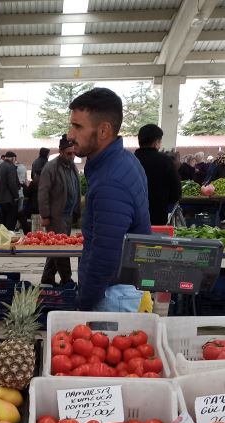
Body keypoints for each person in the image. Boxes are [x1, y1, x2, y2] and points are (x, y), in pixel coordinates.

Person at [67, 87, 150, 312]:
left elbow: (105, 256)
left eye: (77, 126)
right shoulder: (125, 160)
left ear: (103, 131)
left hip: (112, 297)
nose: (70, 135)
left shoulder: (110, 181)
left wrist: (84, 303)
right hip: (125, 288)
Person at [38, 136, 81, 286]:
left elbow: (76, 187)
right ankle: (66, 279)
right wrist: (45, 215)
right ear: (61, 152)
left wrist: (77, 210)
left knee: (56, 249)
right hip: (56, 216)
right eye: (69, 153)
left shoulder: (71, 166)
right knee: (62, 249)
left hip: (68, 215)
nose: (72, 156)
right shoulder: (50, 167)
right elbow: (43, 192)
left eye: (73, 153)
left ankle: (47, 278)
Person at [134, 124, 181, 226]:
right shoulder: (166, 161)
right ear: (156, 142)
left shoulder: (130, 160)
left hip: (132, 219)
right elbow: (176, 194)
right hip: (157, 220)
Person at [0, 151, 21, 230]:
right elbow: (12, 183)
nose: (15, 161)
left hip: (0, 198)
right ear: (12, 158)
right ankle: (9, 236)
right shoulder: (11, 167)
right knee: (11, 220)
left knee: (3, 219)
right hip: (9, 199)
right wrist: (16, 196)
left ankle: (3, 237)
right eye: (15, 159)